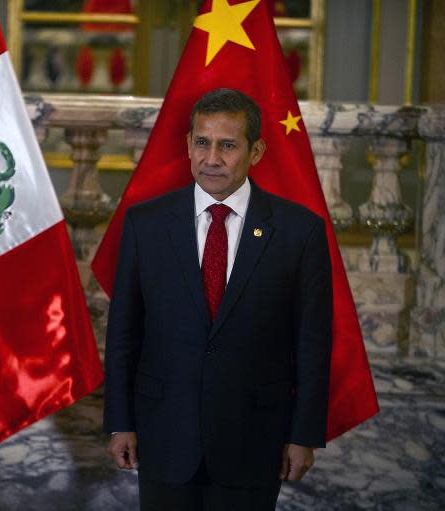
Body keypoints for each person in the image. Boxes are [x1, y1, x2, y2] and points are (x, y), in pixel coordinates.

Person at [104, 88, 332, 510]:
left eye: (228, 145)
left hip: (254, 439)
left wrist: (303, 434)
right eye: (202, 143)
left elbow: (313, 345)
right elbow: (123, 333)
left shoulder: (300, 232)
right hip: (164, 434)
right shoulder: (145, 224)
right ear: (188, 145)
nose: (212, 158)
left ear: (256, 150)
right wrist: (120, 422)